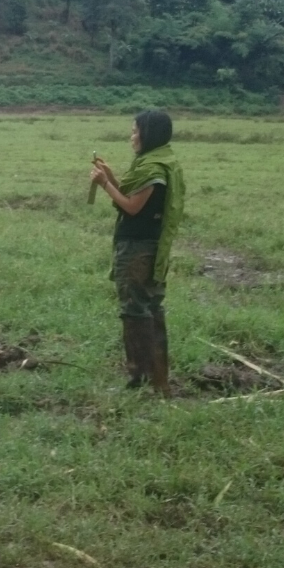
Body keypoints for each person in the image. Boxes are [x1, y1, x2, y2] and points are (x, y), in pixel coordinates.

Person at [89, 109, 185, 396]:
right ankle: (158, 380)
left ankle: (140, 380)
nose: (131, 137)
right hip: (152, 247)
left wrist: (104, 184)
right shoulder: (160, 162)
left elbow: (131, 208)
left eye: (135, 131)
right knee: (151, 308)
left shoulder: (152, 169)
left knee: (135, 311)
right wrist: (111, 177)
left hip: (138, 250)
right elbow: (132, 200)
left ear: (148, 135)